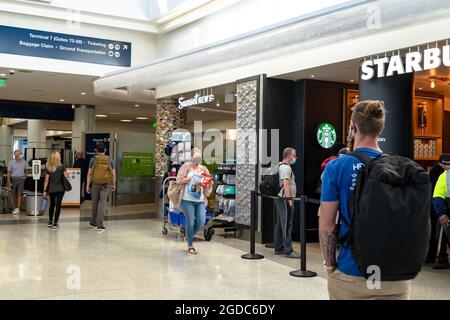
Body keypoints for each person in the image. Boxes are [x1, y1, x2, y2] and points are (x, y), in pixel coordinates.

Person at [319, 100, 412, 300]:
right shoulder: (398, 167)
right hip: (395, 277)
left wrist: (329, 264)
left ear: (353, 127)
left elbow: (327, 224)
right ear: (381, 128)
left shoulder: (337, 167)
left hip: (352, 274)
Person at [176, 148, 212, 255]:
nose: (198, 157)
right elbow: (178, 180)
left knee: (201, 222)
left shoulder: (203, 168)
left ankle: (188, 236)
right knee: (190, 222)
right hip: (187, 199)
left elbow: (209, 183)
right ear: (191, 156)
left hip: (200, 199)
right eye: (196, 155)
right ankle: (190, 245)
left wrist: (204, 182)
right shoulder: (186, 167)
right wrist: (190, 178)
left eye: (199, 155)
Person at [274, 147, 301, 259]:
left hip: (280, 198)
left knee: (280, 224)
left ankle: (278, 247)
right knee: (287, 225)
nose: (295, 157)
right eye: (294, 154)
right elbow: (286, 185)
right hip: (285, 200)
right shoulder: (286, 168)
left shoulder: (279, 166)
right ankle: (288, 250)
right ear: (289, 156)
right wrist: (289, 200)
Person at [86, 142, 116, 233]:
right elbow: (114, 174)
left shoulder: (93, 160)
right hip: (106, 184)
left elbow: (89, 173)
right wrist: (114, 184)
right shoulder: (110, 160)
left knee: (94, 203)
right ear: (105, 150)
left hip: (95, 183)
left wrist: (87, 185)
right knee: (103, 204)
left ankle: (93, 222)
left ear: (97, 150)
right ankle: (100, 224)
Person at [426, 155, 449, 263]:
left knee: (438, 233)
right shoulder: (440, 173)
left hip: (435, 206)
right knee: (439, 233)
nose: (447, 167)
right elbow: (438, 193)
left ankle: (437, 257)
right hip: (438, 207)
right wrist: (441, 211)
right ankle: (438, 257)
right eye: (447, 164)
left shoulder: (435, 171)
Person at [43, 151, 69, 229]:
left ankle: (50, 221)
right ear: (58, 158)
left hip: (52, 189)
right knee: (58, 206)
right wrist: (66, 173)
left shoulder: (48, 166)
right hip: (61, 189)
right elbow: (66, 177)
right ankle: (55, 223)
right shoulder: (62, 166)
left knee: (52, 204)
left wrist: (44, 190)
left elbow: (46, 180)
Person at [7, 150, 27, 215]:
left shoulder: (24, 162)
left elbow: (26, 171)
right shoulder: (11, 162)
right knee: (13, 194)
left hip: (21, 179)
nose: (19, 155)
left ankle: (18, 208)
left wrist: (25, 176)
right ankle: (15, 207)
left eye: (20, 154)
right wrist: (9, 182)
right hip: (13, 179)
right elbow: (8, 173)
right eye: (18, 154)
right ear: (15, 155)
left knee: (19, 194)